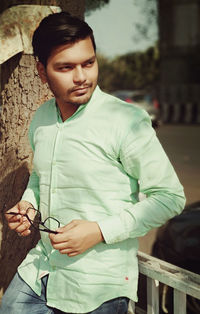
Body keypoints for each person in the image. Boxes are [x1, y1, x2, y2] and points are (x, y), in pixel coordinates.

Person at [1, 11, 186, 314]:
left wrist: (99, 230)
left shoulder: (126, 121)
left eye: (88, 63)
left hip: (97, 284)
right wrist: (29, 205)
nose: (81, 77)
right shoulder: (42, 119)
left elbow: (170, 197)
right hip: (40, 271)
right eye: (65, 67)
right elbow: (40, 178)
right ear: (41, 71)